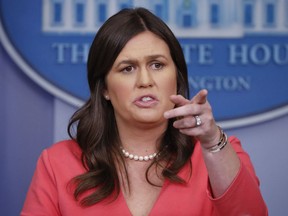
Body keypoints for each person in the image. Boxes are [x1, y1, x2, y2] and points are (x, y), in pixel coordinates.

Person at [21, 7, 268, 216]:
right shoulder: (57, 163)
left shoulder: (219, 151)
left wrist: (213, 141)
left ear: (176, 77)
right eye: (127, 68)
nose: (145, 80)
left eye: (157, 65)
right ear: (105, 87)